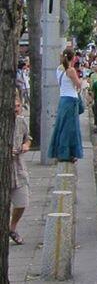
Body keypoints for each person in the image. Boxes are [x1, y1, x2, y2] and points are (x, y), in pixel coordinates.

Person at [48, 48, 84, 163]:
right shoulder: (71, 70)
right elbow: (78, 85)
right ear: (73, 58)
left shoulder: (59, 69)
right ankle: (68, 153)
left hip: (63, 98)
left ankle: (60, 151)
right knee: (71, 128)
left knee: (61, 126)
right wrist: (82, 81)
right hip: (71, 99)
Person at [10, 97, 31, 245]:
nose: (16, 109)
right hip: (4, 169)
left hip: (18, 168)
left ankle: (12, 227)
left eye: (18, 106)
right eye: (14, 106)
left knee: (22, 202)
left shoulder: (21, 121)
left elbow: (28, 138)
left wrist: (26, 145)